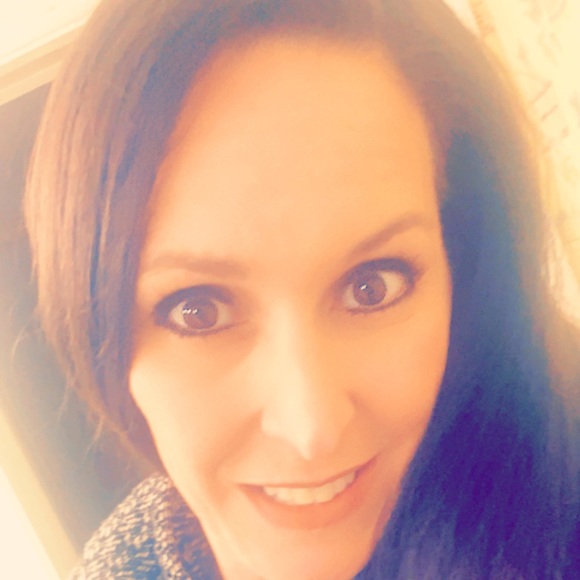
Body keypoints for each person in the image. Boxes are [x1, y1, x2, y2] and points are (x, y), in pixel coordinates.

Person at [24, 0, 580, 578]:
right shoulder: (124, 564)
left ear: (464, 266)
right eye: (198, 310)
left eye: (371, 287)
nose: (310, 429)